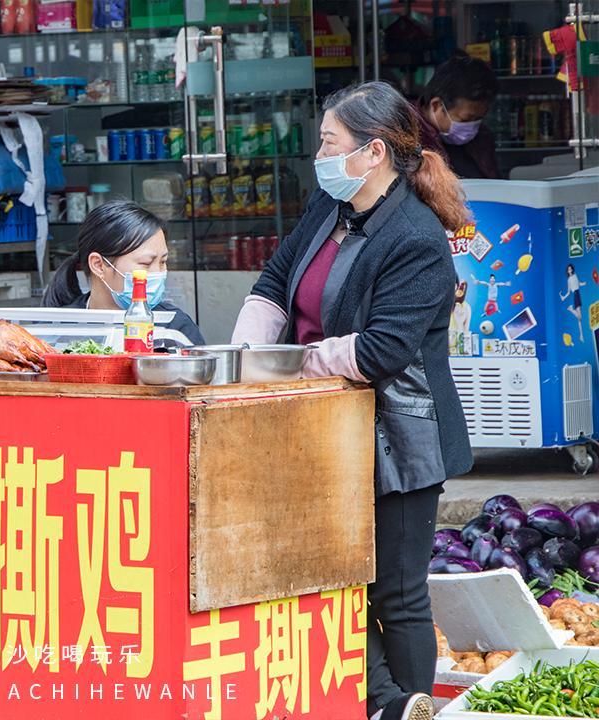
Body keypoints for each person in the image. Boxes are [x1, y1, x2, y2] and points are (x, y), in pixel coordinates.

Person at [231, 81, 473, 720]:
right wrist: (239, 356)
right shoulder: (329, 206)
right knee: (337, 580)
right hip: (325, 426)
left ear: (372, 153)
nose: (320, 154)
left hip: (400, 439)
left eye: (329, 143)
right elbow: (278, 278)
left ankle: (409, 706)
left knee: (396, 595)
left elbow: (380, 353)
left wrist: (284, 362)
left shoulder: (417, 239)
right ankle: (381, 705)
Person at [42, 201, 205, 346]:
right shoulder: (58, 329)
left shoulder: (175, 327)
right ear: (99, 265)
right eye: (146, 263)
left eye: (163, 262)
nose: (158, 273)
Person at [416, 53, 499, 179]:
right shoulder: (406, 138)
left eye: (478, 119)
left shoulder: (482, 138)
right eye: (466, 119)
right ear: (436, 105)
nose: (472, 127)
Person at [561, 264, 586, 342]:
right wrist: (563, 297)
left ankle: (581, 335)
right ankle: (571, 309)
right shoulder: (568, 280)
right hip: (575, 295)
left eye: (570, 269)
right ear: (567, 271)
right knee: (579, 317)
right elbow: (569, 292)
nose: (570, 270)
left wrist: (584, 283)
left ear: (572, 269)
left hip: (578, 294)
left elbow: (579, 283)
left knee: (579, 319)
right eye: (568, 269)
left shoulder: (575, 275)